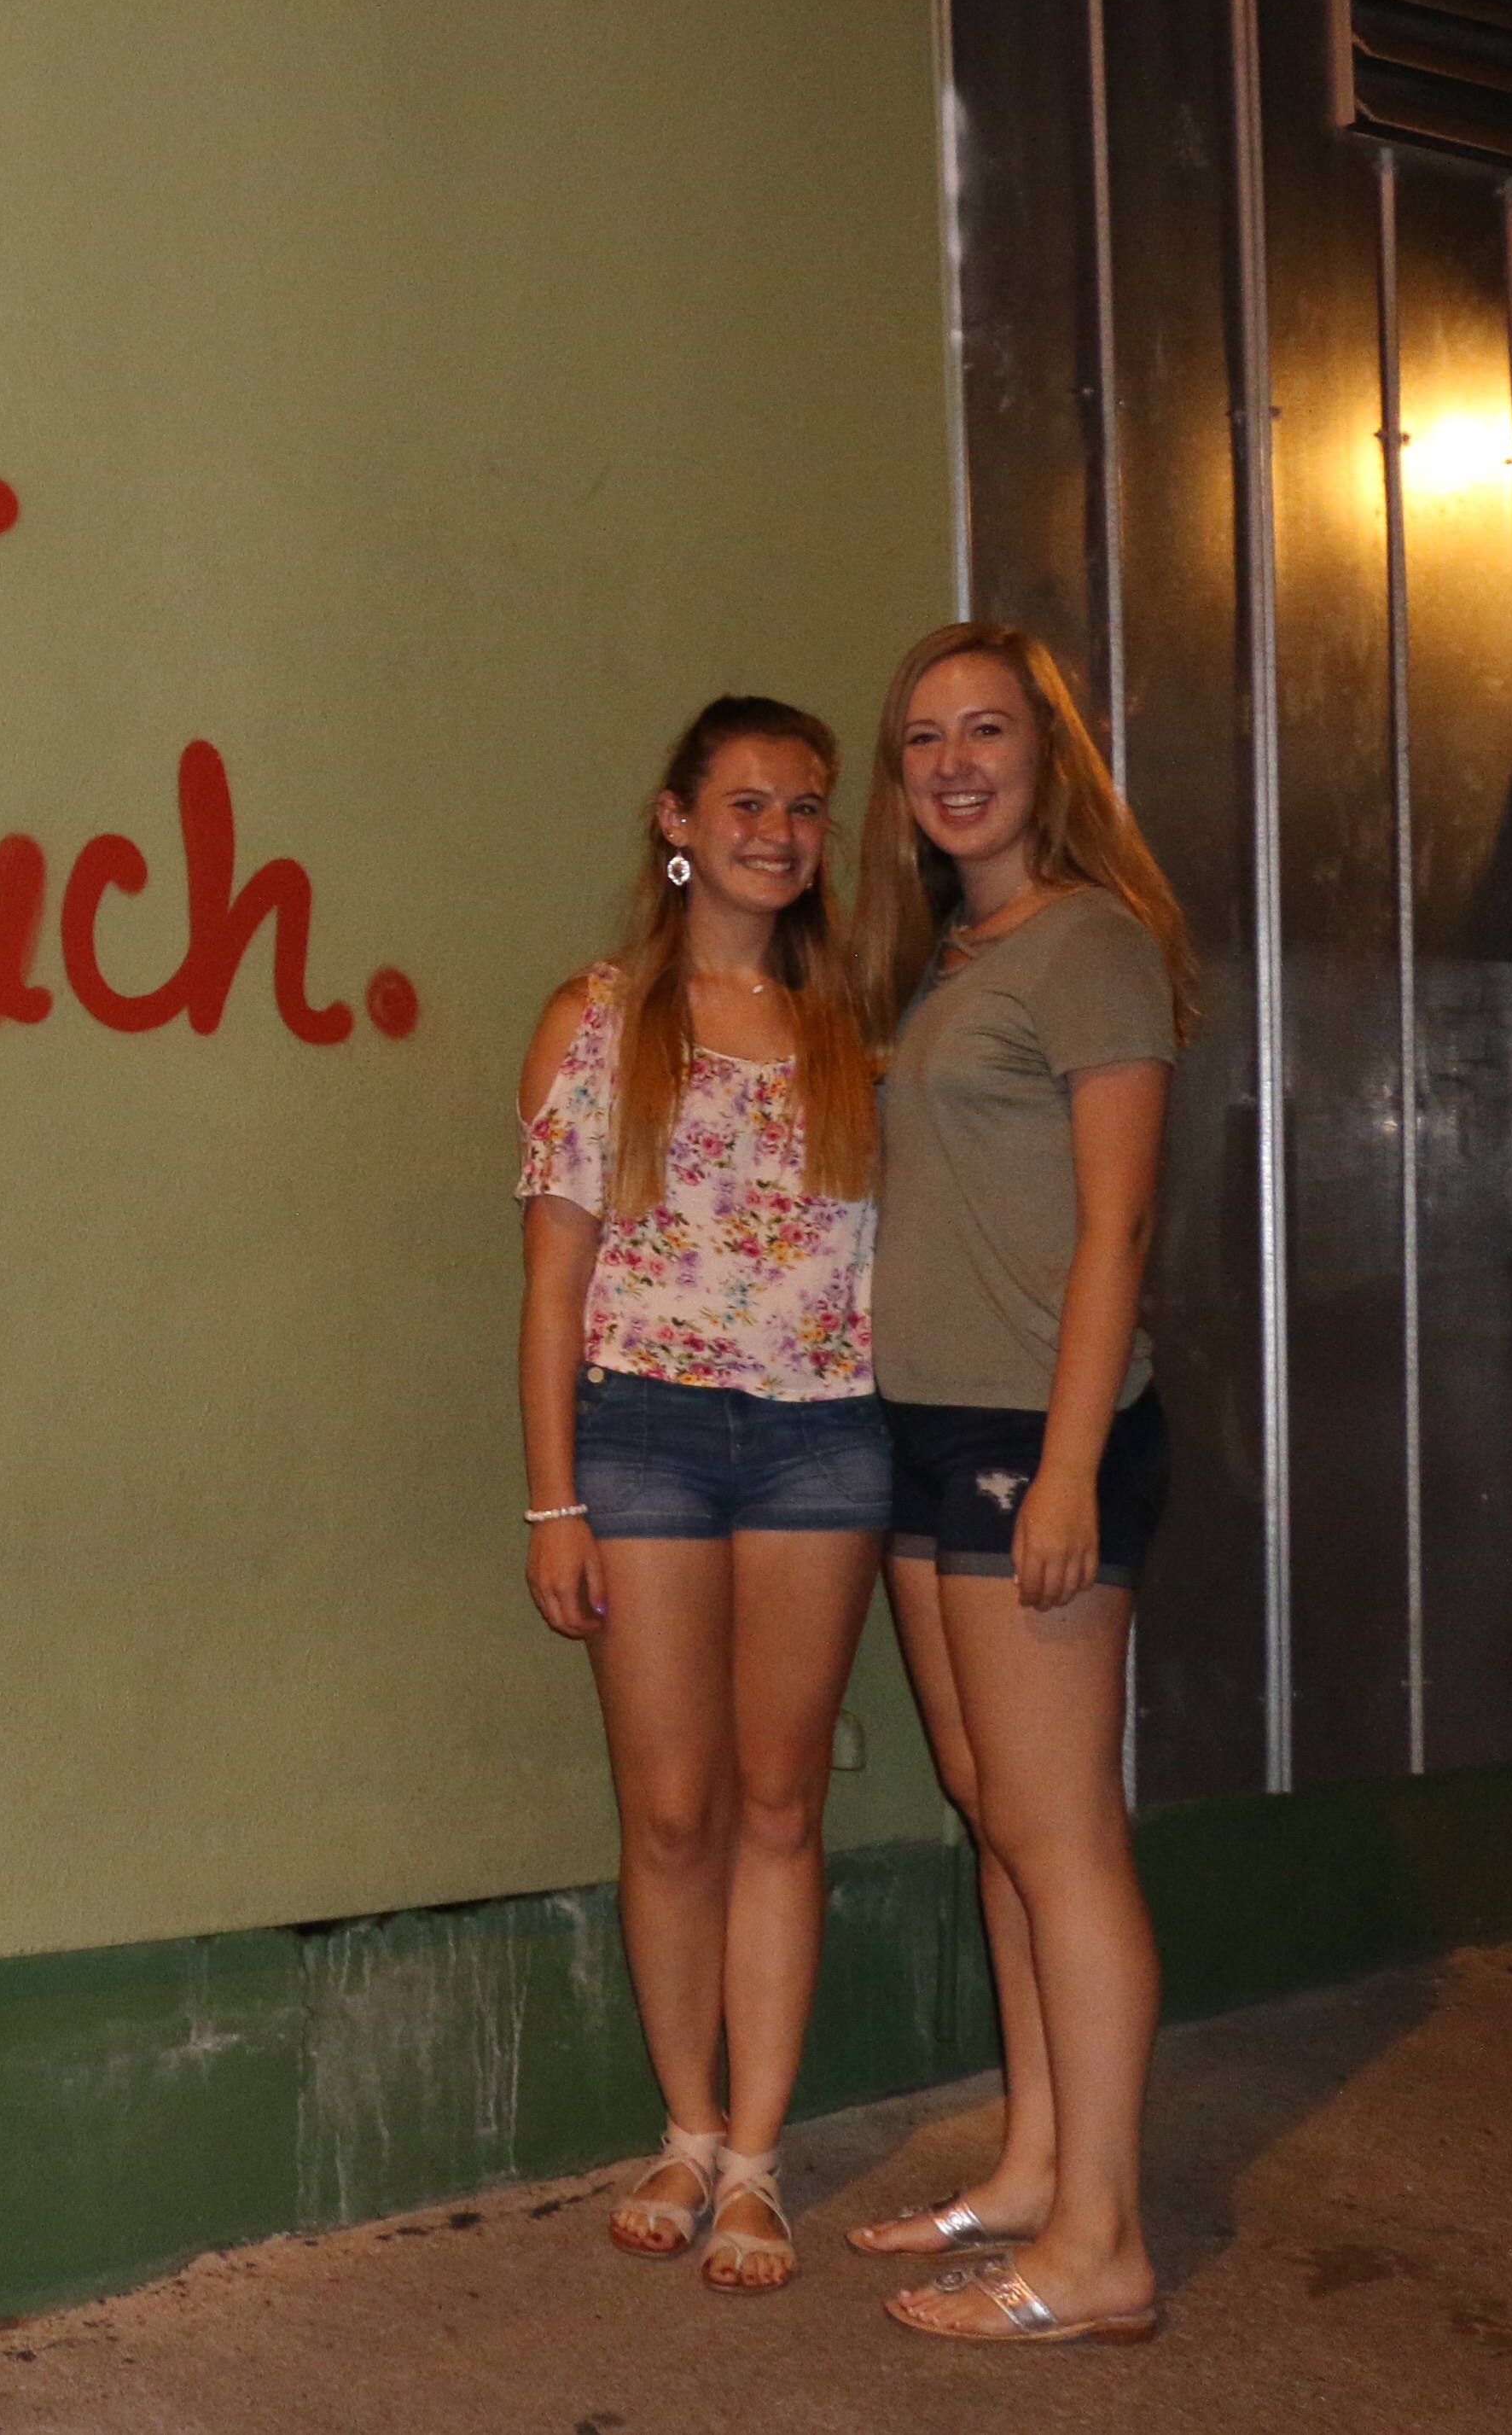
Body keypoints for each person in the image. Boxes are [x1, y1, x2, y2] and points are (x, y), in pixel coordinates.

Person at [839, 623, 1191, 2347]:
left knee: (1059, 1833)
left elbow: (1115, 1227)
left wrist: (1061, 1470)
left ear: (1047, 752)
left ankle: (1103, 2244)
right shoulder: (945, 955)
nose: (953, 763)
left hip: (1033, 1436)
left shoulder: (1091, 945)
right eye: (924, 739)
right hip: (926, 1429)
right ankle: (1038, 2166)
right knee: (997, 1809)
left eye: (986, 730)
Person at [517, 696, 886, 2296]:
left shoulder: (855, 1024)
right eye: (746, 802)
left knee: (780, 1802)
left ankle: (755, 2164)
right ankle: (684, 2125)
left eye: (803, 807)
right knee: (671, 1808)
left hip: (823, 1437)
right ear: (677, 820)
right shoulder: (598, 1017)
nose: (778, 833)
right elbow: (552, 1281)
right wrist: (553, 1502)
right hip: (644, 1434)